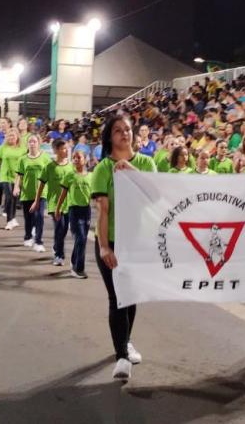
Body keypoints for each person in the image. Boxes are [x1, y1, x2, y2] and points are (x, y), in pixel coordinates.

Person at [91, 115, 156, 381]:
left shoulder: (146, 163)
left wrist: (131, 170)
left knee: (131, 296)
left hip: (138, 242)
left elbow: (155, 194)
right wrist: (104, 247)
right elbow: (103, 210)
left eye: (127, 129)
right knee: (117, 297)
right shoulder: (103, 169)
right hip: (113, 242)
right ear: (110, 137)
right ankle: (121, 357)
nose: (124, 133)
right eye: (118, 130)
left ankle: (125, 340)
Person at [55, 148, 92, 278]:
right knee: (80, 238)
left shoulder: (91, 176)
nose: (76, 160)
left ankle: (73, 260)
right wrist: (58, 209)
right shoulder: (70, 175)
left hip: (86, 210)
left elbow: (94, 194)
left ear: (85, 160)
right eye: (74, 158)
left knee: (82, 239)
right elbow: (63, 193)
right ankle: (78, 269)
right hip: (74, 210)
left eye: (79, 157)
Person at [38, 139, 75, 266]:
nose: (66, 151)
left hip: (69, 203)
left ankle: (56, 245)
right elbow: (42, 183)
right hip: (54, 203)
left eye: (67, 148)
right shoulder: (49, 167)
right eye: (63, 149)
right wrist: (37, 200)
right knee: (60, 227)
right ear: (56, 150)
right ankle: (59, 255)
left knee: (64, 229)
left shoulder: (71, 166)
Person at [14, 133, 51, 253]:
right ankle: (28, 236)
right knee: (28, 217)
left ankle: (38, 242)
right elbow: (19, 175)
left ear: (39, 143)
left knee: (39, 216)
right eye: (30, 141)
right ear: (27, 144)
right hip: (27, 192)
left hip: (41, 192)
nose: (32, 143)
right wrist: (16, 187)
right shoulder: (22, 159)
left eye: (34, 141)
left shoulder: (45, 157)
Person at [0, 129, 25, 231]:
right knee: (9, 197)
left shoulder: (23, 148)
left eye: (13, 136)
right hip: (5, 175)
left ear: (17, 137)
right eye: (9, 136)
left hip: (17, 176)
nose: (11, 138)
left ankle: (13, 218)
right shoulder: (3, 147)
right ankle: (9, 221)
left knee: (14, 198)